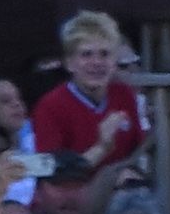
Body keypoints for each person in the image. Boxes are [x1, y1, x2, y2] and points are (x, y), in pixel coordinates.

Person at [28, 10, 145, 169]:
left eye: (104, 54)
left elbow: (137, 153)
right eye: (86, 54)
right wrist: (102, 148)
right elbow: (53, 174)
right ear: (69, 63)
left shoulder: (124, 95)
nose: (96, 62)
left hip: (124, 190)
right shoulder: (49, 106)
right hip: (73, 191)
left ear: (114, 61)